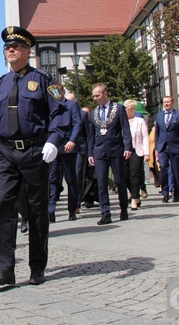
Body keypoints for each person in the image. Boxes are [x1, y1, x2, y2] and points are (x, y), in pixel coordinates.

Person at [0, 26, 64, 286]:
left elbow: (60, 114)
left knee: (36, 210)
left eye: (16, 46)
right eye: (7, 46)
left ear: (28, 50)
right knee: (3, 206)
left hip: (34, 151)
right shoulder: (0, 84)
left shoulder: (43, 80)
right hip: (5, 152)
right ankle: (4, 268)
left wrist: (53, 141)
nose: (10, 50)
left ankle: (37, 266)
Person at [87, 83, 132, 225]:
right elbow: (91, 134)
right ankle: (105, 212)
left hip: (116, 149)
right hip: (99, 151)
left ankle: (123, 208)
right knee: (101, 182)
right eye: (93, 96)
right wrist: (90, 152)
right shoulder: (94, 112)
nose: (95, 98)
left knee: (119, 181)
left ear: (105, 94)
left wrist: (128, 147)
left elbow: (125, 128)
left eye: (97, 95)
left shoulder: (118, 109)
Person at [48, 85, 81, 222]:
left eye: (57, 92)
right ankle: (51, 210)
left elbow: (77, 124)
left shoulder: (72, 105)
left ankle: (72, 210)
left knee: (71, 179)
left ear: (62, 92)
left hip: (68, 147)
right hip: (54, 148)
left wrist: (72, 140)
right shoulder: (49, 106)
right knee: (52, 179)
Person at [154, 96, 179, 203]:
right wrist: (156, 147)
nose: (166, 104)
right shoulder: (159, 116)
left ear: (172, 103)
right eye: (164, 102)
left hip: (175, 146)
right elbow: (157, 133)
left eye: (168, 102)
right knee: (163, 168)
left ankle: (176, 193)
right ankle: (165, 193)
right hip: (162, 146)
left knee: (175, 170)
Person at [123, 100, 149, 210]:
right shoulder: (122, 121)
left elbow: (145, 137)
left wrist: (146, 153)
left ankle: (134, 198)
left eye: (126, 108)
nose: (124, 111)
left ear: (132, 110)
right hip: (124, 151)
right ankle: (134, 193)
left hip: (137, 151)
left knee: (134, 174)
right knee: (124, 175)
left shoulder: (140, 121)